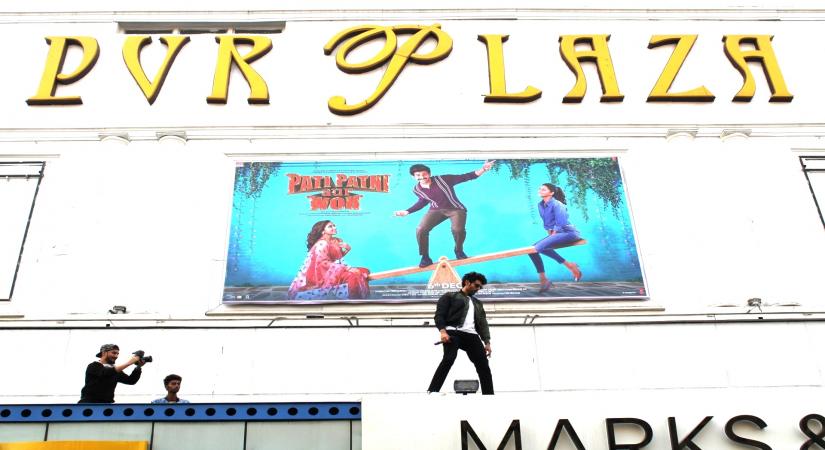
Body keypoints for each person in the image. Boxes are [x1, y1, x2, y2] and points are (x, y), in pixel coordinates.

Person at [394, 161, 495, 267]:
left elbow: (467, 176)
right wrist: (407, 211)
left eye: (424, 174)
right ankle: (425, 257)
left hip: (455, 209)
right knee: (421, 229)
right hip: (435, 210)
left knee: (457, 230)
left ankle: (459, 250)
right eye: (418, 175)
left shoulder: (443, 179)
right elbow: (422, 202)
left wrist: (483, 169)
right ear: (413, 177)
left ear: (429, 173)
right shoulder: (417, 189)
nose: (422, 177)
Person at [427, 271, 494, 395]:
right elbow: (439, 315)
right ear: (467, 282)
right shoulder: (450, 296)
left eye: (480, 287)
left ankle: (489, 395)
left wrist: (487, 342)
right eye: (476, 285)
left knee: (483, 365)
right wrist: (443, 332)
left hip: (472, 336)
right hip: (453, 332)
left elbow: (483, 324)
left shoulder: (478, 303)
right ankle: (433, 390)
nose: (478, 289)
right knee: (449, 359)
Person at [288, 220, 370, 300]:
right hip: (320, 274)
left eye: (334, 225)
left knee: (363, 271)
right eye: (330, 226)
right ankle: (354, 301)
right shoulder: (322, 244)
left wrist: (347, 249)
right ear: (323, 231)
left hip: (333, 269)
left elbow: (336, 258)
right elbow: (322, 263)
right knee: (352, 276)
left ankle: (360, 299)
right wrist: (346, 268)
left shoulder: (334, 241)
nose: (334, 227)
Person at [527, 183, 583, 292]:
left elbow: (561, 223)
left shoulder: (558, 204)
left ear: (551, 193)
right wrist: (550, 236)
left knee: (537, 248)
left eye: (543, 189)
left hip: (568, 233)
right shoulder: (540, 205)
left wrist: (553, 236)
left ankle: (570, 266)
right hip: (556, 233)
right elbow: (547, 223)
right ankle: (544, 280)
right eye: (540, 189)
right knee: (532, 250)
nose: (540, 190)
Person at [79, 344, 143, 403]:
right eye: (114, 353)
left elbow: (131, 381)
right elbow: (106, 373)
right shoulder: (94, 365)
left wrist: (138, 367)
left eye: (117, 354)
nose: (116, 356)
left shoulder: (115, 370)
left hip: (106, 405)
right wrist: (129, 363)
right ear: (104, 353)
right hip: (89, 404)